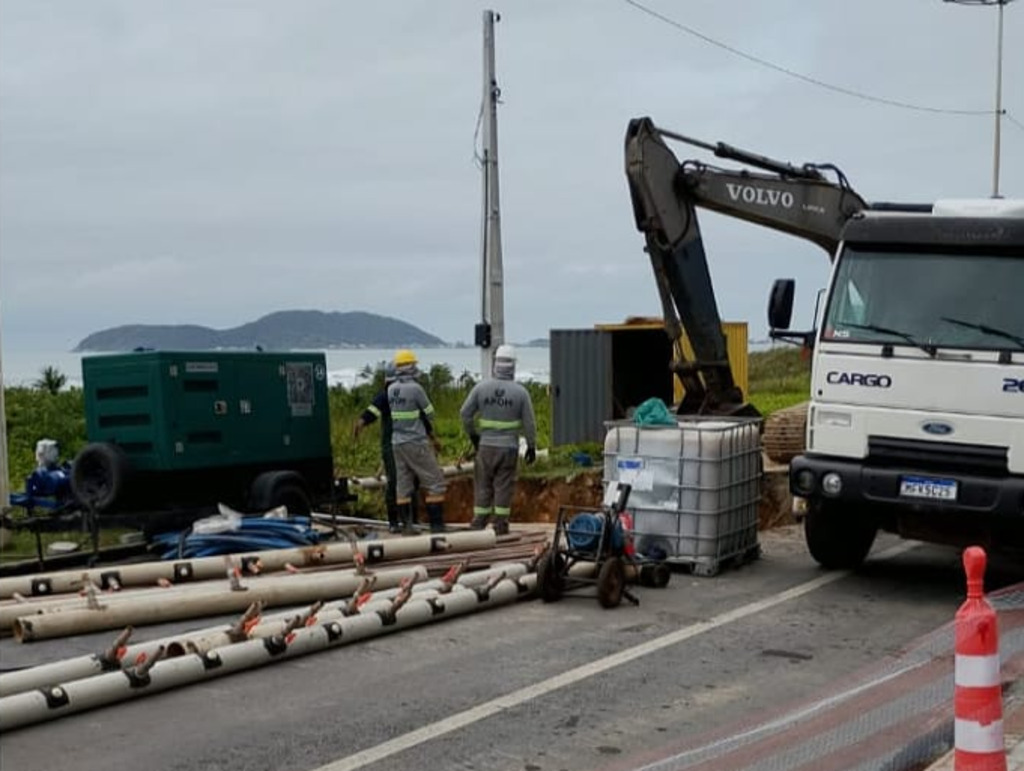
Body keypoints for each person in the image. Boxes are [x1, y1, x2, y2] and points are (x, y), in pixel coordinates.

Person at [459, 344, 537, 535]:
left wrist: (474, 436)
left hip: (485, 446)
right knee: (503, 486)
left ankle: (479, 523)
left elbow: (465, 414)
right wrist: (531, 447)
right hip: (508, 448)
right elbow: (529, 424)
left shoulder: (481, 388)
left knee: (483, 484)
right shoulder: (520, 393)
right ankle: (500, 525)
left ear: (495, 363)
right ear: (513, 366)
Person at [387, 349, 447, 532]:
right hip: (416, 441)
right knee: (435, 482)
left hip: (397, 442)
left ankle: (407, 526)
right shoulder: (415, 388)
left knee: (403, 484)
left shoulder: (391, 389)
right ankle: (437, 526)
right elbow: (430, 413)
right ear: (410, 366)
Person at [353, 362, 410, 534]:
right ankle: (397, 521)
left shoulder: (401, 395)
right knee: (396, 482)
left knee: (403, 482)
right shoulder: (385, 396)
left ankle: (405, 520)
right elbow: (370, 414)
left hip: (405, 444)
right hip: (395, 446)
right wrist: (360, 424)